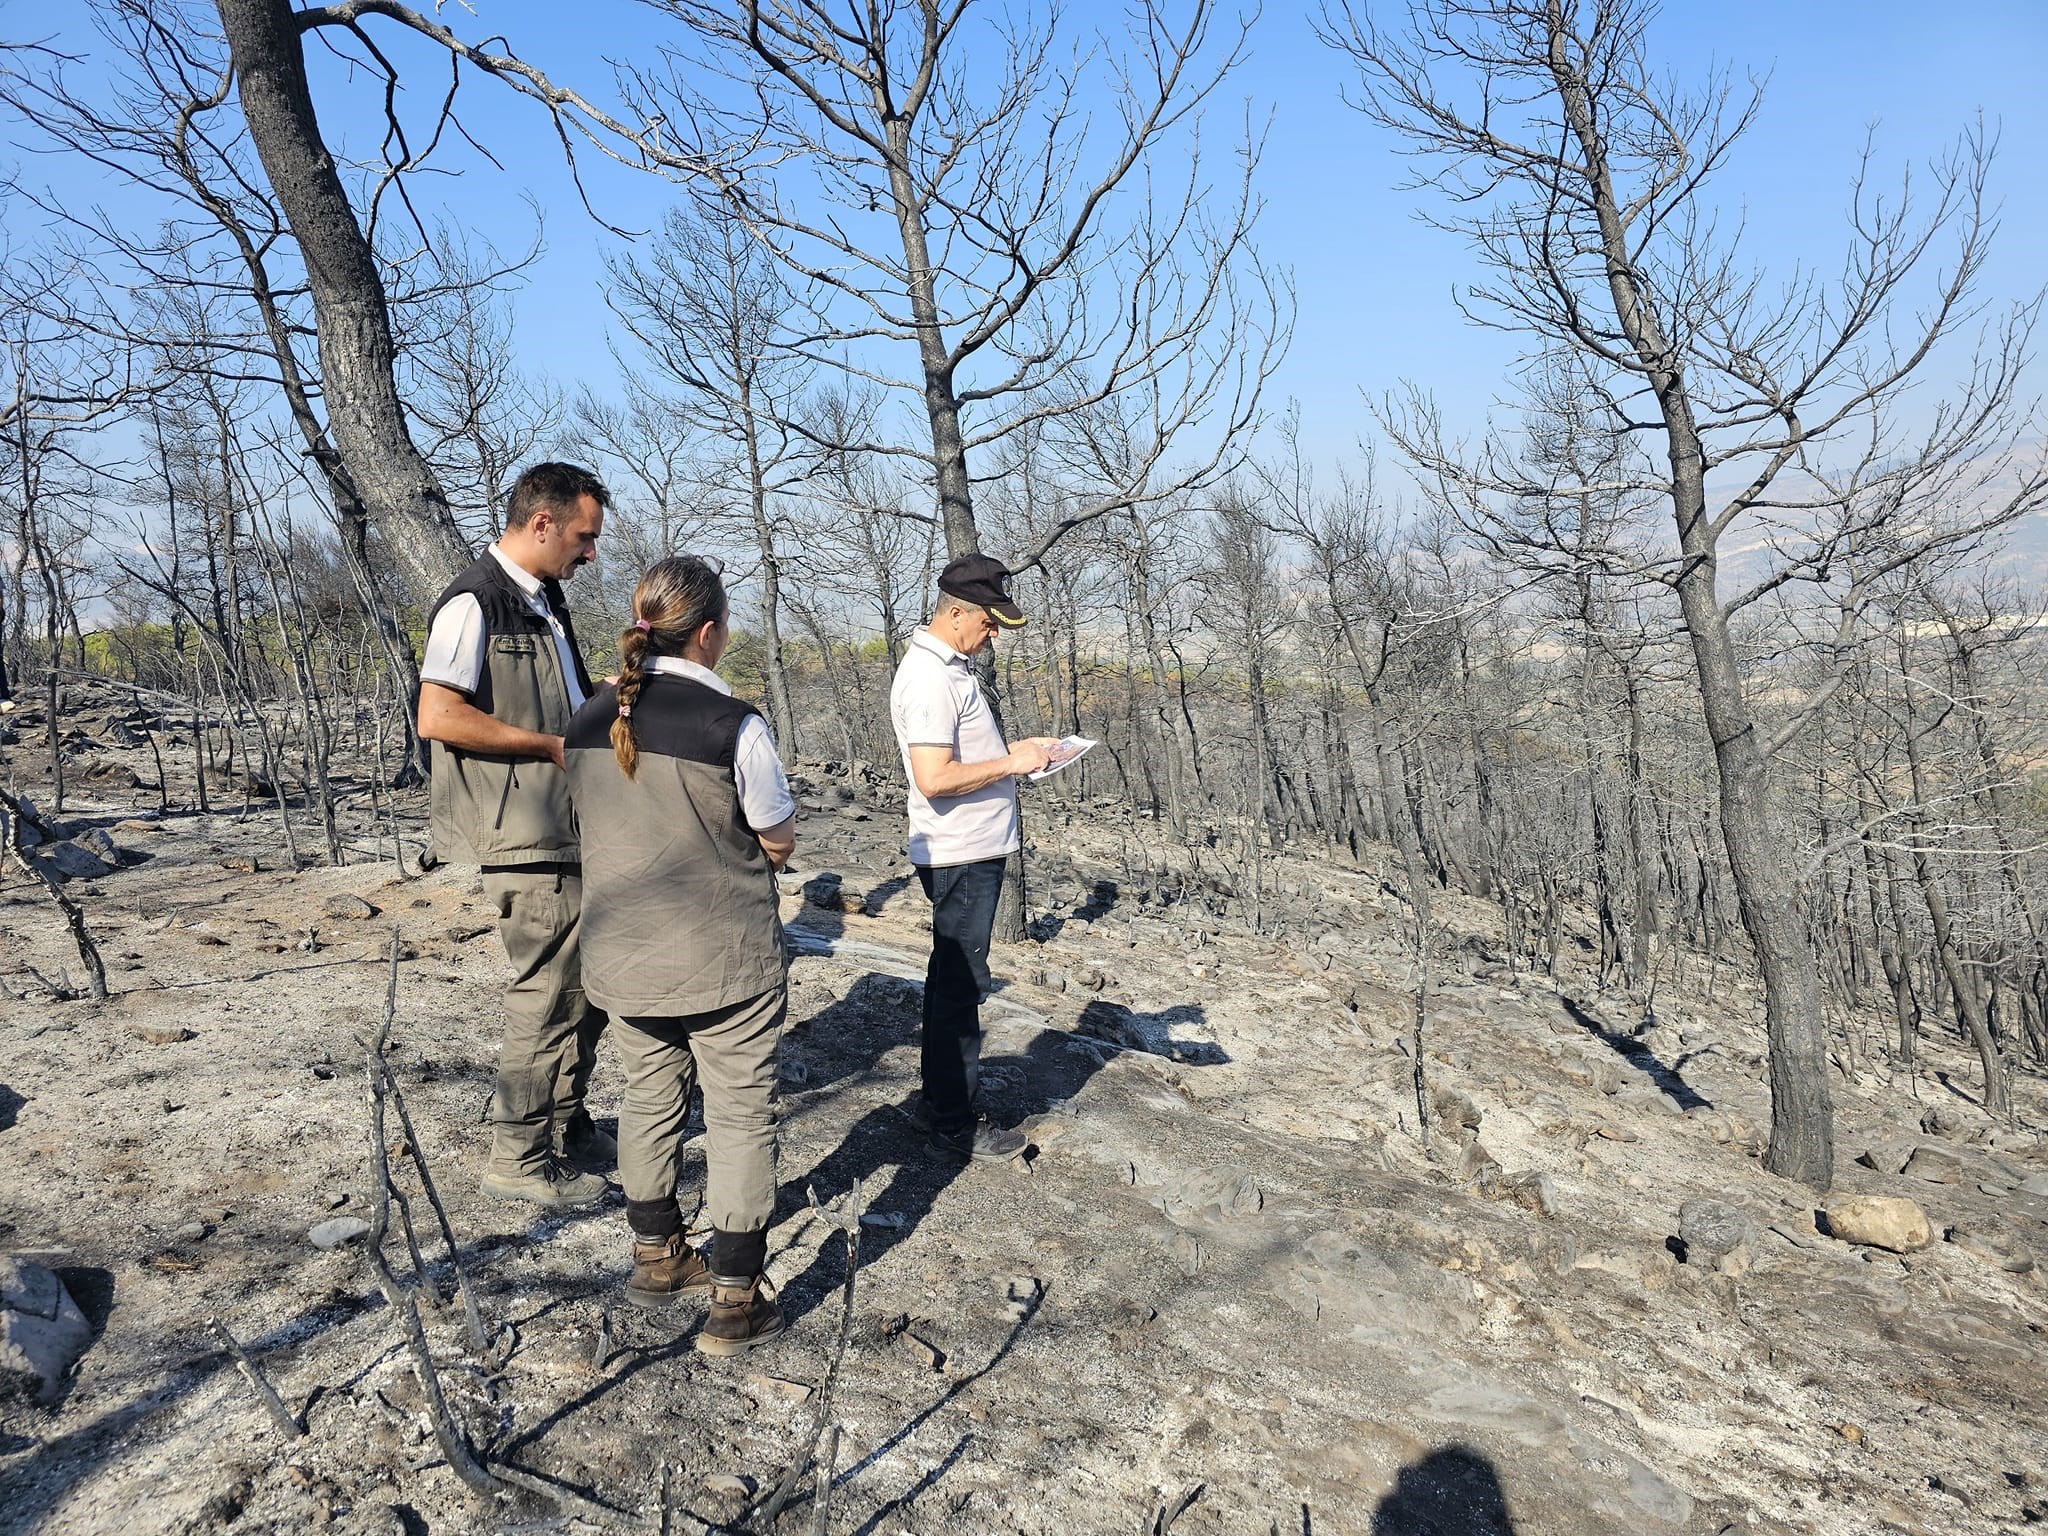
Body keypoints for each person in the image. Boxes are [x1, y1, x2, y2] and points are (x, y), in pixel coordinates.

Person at [563, 555, 797, 1356]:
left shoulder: (587, 718)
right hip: (725, 957)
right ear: (708, 633)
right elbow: (777, 840)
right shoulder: (734, 724)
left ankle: (657, 1257)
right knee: (737, 1114)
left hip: (624, 957)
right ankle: (735, 1299)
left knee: (648, 1098)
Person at [416, 462, 614, 1208]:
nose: (589, 553)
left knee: (587, 989)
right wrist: (550, 745)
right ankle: (518, 1159)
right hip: (522, 833)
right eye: (583, 537)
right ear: (541, 524)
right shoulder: (475, 605)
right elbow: (438, 716)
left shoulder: (545, 602)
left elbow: (554, 700)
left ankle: (569, 1126)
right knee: (546, 995)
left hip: (566, 826)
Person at [888, 553, 1061, 1162]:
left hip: (971, 847)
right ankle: (953, 1125)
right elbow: (934, 777)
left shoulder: (951, 667)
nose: (993, 636)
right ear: (956, 612)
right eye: (989, 624)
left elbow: (961, 759)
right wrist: (1012, 763)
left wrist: (1016, 752)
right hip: (960, 852)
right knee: (961, 988)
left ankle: (940, 1104)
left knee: (950, 982)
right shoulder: (932, 676)